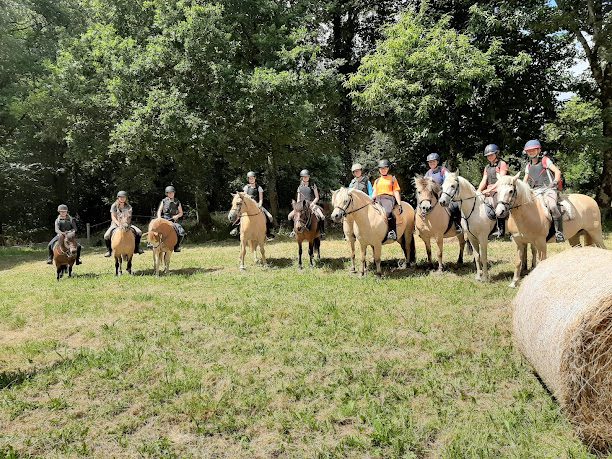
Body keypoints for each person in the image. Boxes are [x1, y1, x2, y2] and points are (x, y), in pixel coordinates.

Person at [523, 139, 565, 242]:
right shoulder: (528, 166)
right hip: (535, 191)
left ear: (538, 150)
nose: (531, 152)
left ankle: (559, 233)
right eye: (529, 151)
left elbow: (557, 172)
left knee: (552, 206)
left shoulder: (545, 160)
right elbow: (525, 180)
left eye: (533, 150)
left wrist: (555, 182)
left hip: (548, 189)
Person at [229, 172, 275, 241]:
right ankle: (236, 230)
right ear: (248, 179)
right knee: (240, 215)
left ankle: (267, 233)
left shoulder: (259, 188)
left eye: (252, 178)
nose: (251, 180)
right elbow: (244, 196)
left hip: (257, 205)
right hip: (248, 206)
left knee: (269, 217)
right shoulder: (246, 187)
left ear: (255, 178)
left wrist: (260, 204)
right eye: (250, 179)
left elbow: (261, 198)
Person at [424, 152, 462, 233]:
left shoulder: (443, 170)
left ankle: (457, 225)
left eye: (433, 161)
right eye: (430, 162)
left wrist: (441, 190)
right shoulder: (428, 173)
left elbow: (448, 181)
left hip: (443, 193)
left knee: (453, 206)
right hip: (432, 196)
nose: (431, 163)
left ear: (437, 162)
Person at [477, 144, 509, 237]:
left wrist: (490, 189)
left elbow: (501, 180)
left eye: (491, 154)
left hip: (500, 189)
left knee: (496, 203)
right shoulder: (487, 167)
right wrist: (479, 190)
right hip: (489, 189)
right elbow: (484, 180)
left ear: (496, 154)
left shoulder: (502, 164)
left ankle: (500, 230)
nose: (489, 157)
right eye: (488, 155)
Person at [103, 191, 144, 257]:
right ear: (118, 198)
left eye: (124, 197)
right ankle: (109, 251)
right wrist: (118, 223)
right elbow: (113, 216)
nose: (122, 198)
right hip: (115, 224)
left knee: (139, 232)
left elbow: (129, 216)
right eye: (121, 197)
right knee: (106, 235)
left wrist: (127, 223)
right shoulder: (114, 206)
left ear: (126, 198)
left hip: (127, 224)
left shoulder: (128, 206)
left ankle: (137, 248)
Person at [288, 169, 326, 239]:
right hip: (302, 205)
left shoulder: (313, 185)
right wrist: (298, 206)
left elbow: (317, 197)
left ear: (309, 177)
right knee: (290, 216)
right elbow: (298, 199)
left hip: (311, 203)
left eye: (307, 176)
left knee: (321, 216)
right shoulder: (299, 187)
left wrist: (313, 203)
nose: (305, 178)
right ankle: (293, 231)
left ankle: (322, 232)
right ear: (302, 177)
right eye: (304, 177)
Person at [372, 159, 401, 241]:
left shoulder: (392, 178)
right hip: (378, 199)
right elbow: (374, 192)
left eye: (385, 168)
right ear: (379, 170)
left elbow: (395, 191)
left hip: (388, 198)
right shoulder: (377, 181)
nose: (383, 170)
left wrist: (399, 204)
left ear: (388, 169)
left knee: (386, 212)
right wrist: (370, 201)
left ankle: (392, 232)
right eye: (381, 168)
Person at [157, 186, 186, 252]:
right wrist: (159, 218)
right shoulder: (164, 201)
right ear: (167, 194)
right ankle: (151, 243)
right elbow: (159, 211)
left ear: (174, 193)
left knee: (181, 232)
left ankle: (177, 246)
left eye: (172, 193)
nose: (171, 194)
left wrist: (177, 216)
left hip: (173, 220)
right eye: (169, 193)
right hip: (164, 219)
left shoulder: (177, 202)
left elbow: (181, 213)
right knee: (155, 228)